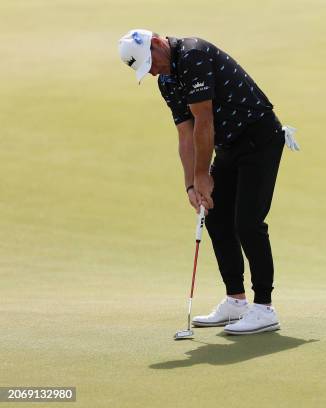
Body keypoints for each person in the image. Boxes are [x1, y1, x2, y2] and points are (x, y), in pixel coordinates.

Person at [118, 29, 299, 335]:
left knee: (248, 223)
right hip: (228, 145)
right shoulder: (167, 80)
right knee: (213, 214)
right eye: (145, 69)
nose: (152, 71)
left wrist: (204, 174)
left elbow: (204, 121)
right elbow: (185, 133)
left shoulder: (193, 55)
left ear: (158, 43)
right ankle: (236, 301)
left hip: (259, 138)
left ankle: (265, 308)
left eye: (151, 62)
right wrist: (191, 185)